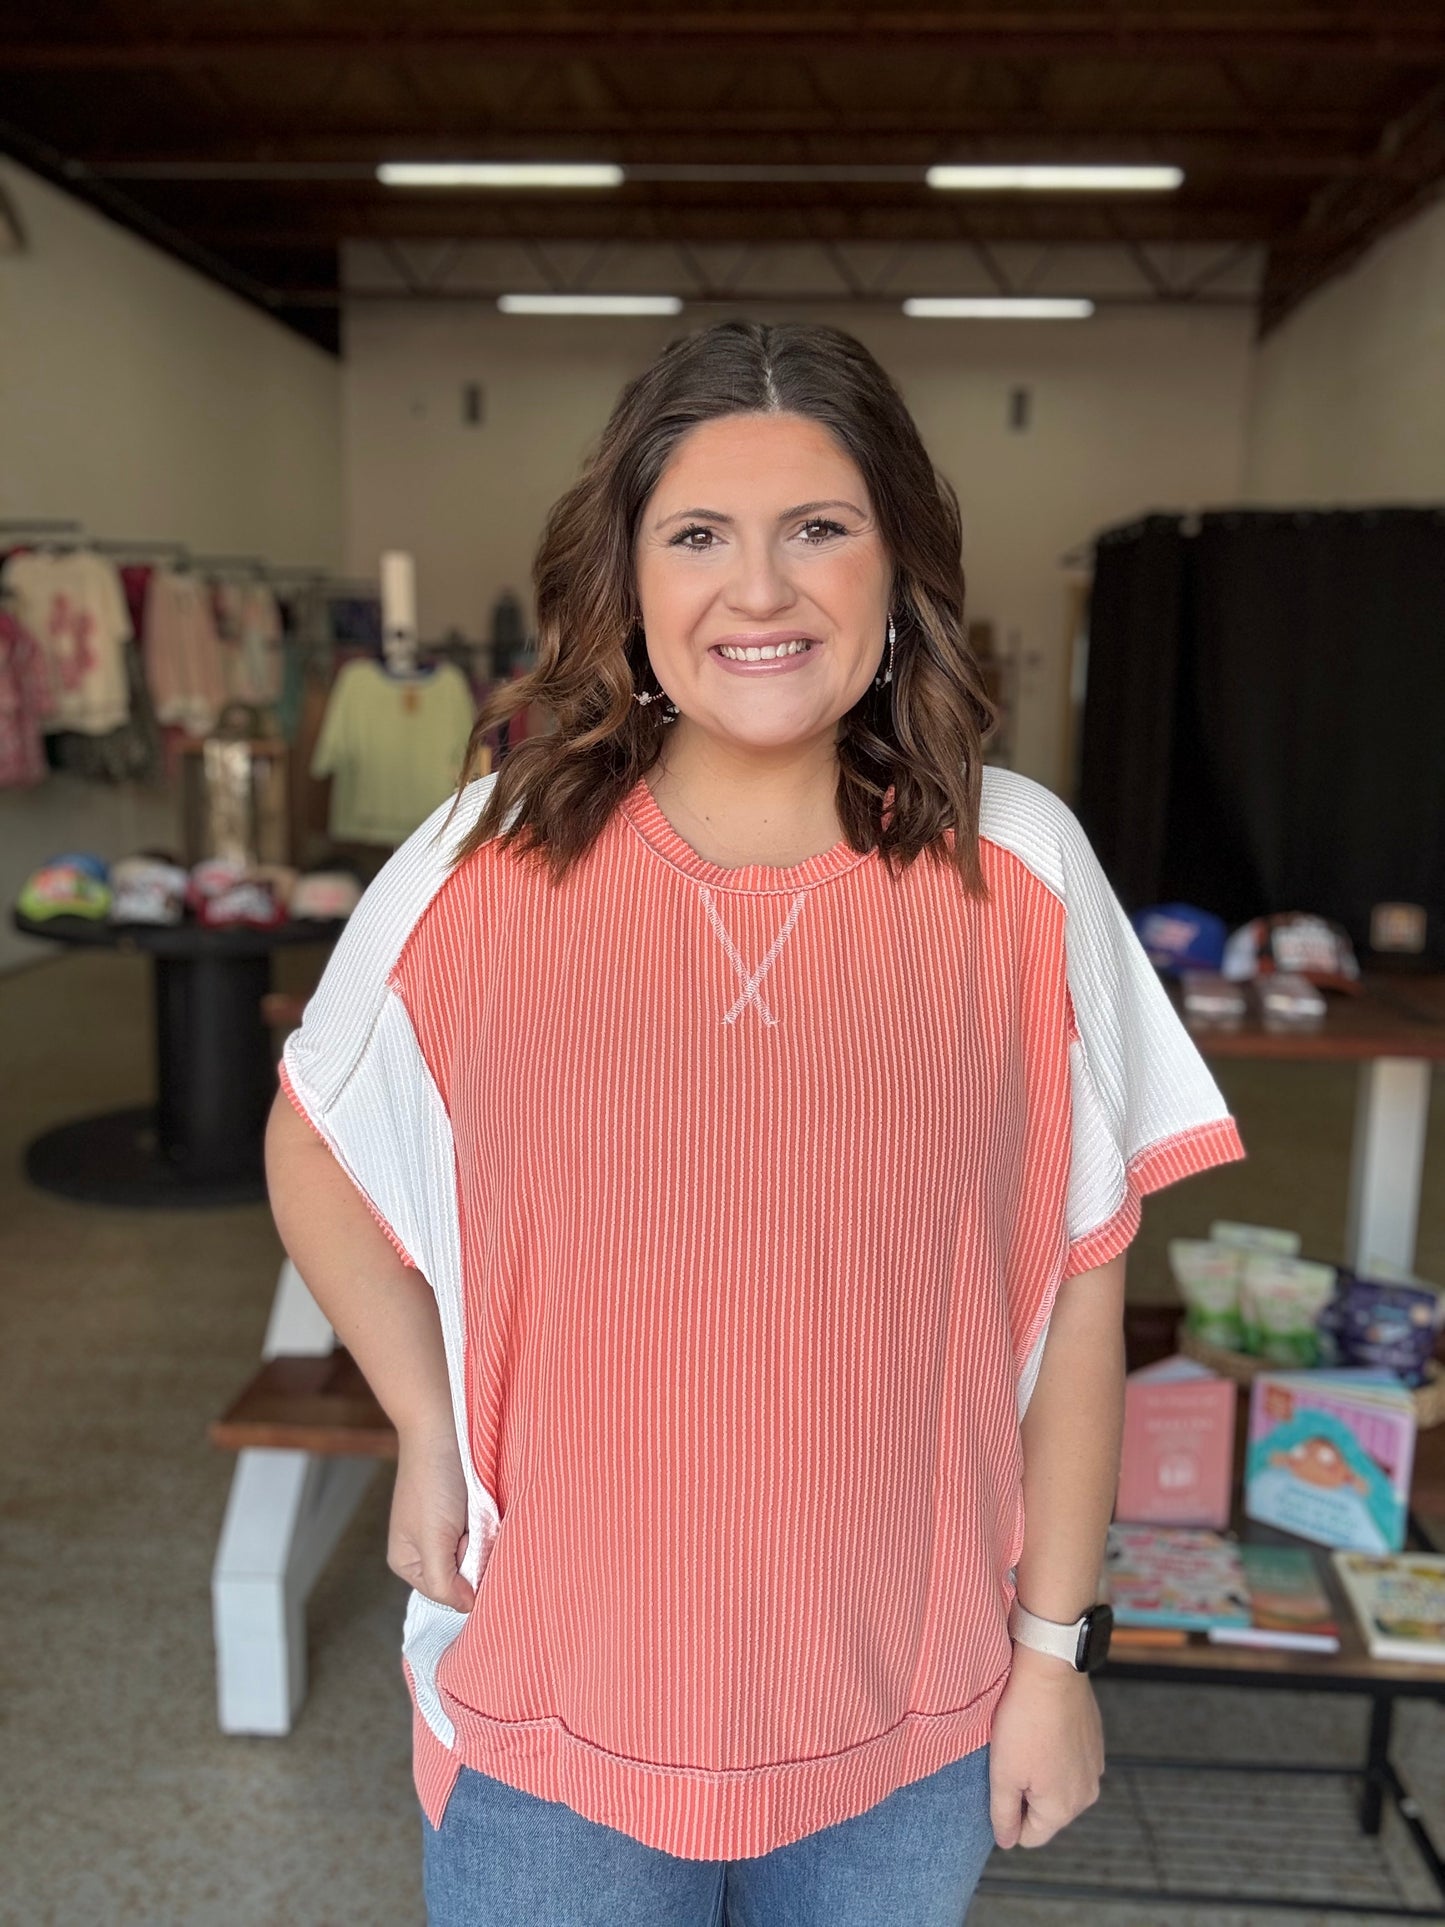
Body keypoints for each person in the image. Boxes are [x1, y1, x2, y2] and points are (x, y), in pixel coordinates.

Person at [265, 318, 1246, 1925]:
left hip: (903, 1721)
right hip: (550, 1715)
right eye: (700, 535)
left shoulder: (1017, 870)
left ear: (897, 567)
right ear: (630, 582)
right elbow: (310, 1139)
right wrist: (427, 1426)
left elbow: (1080, 1284)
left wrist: (1052, 1655)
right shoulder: (483, 864)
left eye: (818, 529)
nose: (762, 591)